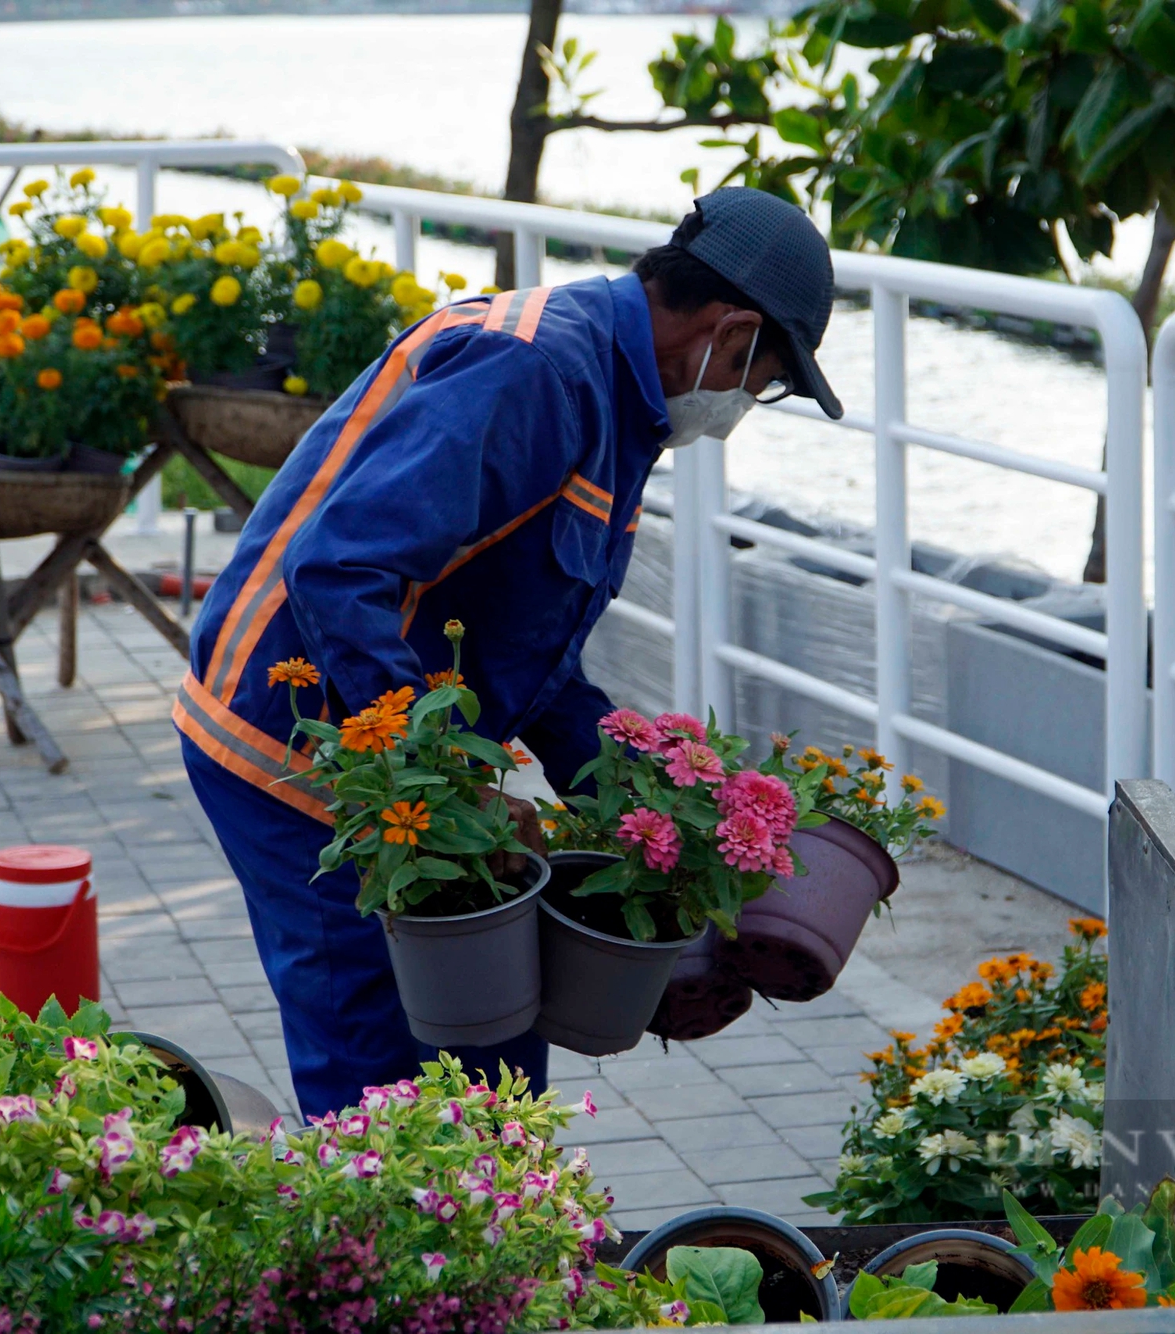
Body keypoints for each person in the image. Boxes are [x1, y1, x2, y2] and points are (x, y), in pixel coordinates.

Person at [175, 188, 843, 1118]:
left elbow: (527, 652)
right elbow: (338, 571)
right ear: (729, 334)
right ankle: (387, 1252)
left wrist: (646, 802)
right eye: (765, 379)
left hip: (396, 754)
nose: (747, 403)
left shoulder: (619, 399)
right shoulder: (535, 370)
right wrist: (456, 782)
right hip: (291, 748)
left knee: (493, 1050)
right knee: (383, 1076)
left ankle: (497, 1245)